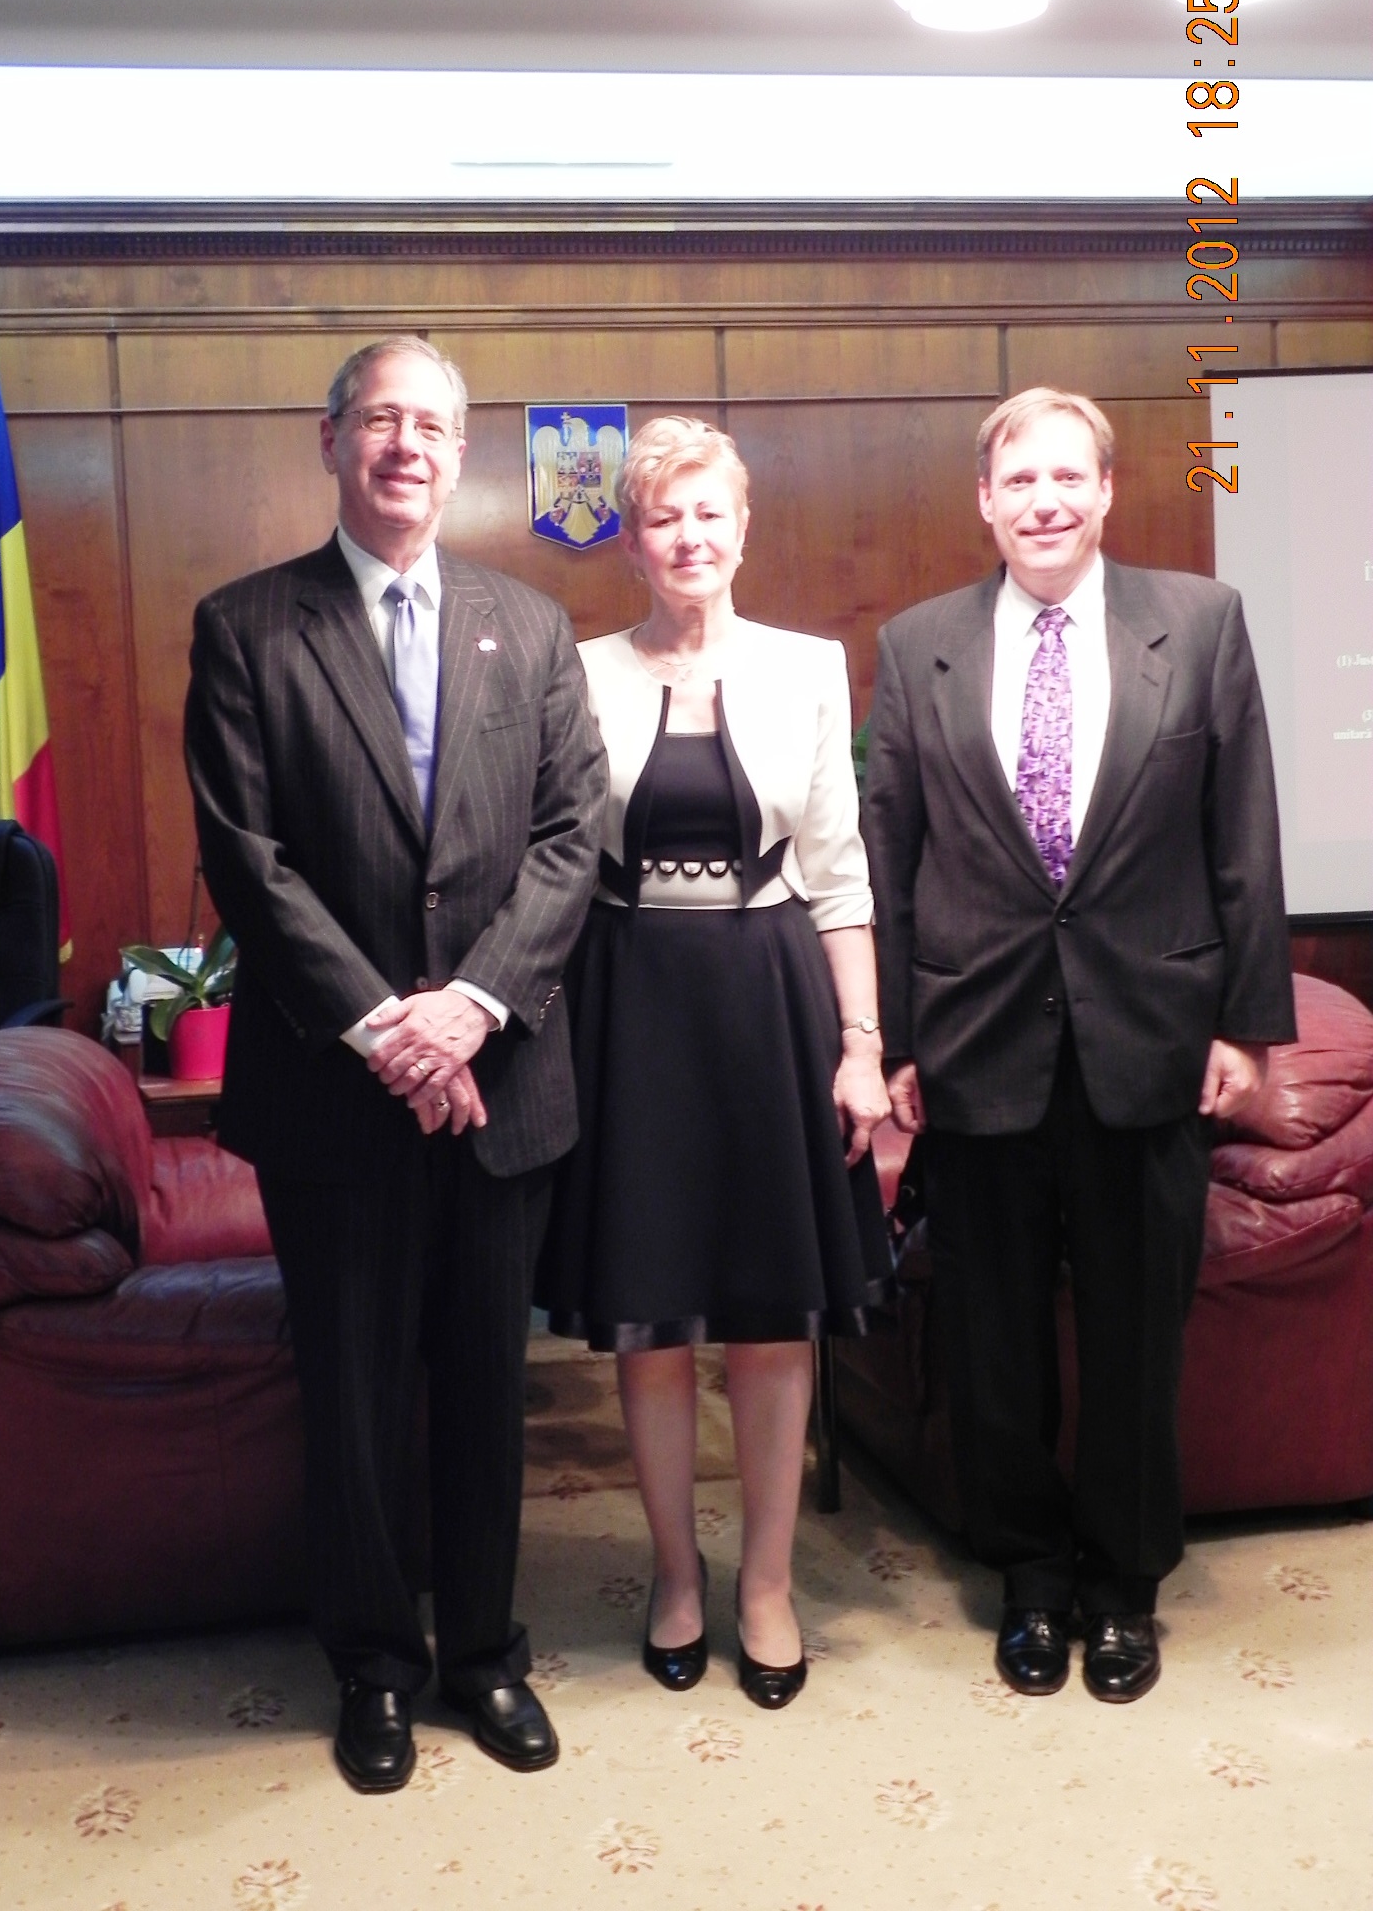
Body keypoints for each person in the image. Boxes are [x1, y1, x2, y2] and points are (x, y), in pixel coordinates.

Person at [184, 336, 606, 1793]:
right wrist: (388, 1028)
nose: (405, 445)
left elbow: (573, 837)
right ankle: (373, 1664)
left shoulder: (529, 625)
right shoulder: (247, 626)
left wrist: (470, 1010)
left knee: (490, 1390)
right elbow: (248, 859)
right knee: (354, 1396)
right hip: (331, 1091)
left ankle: (484, 1654)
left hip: (501, 1084)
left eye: (430, 424)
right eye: (380, 419)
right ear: (333, 441)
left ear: (461, 450)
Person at [862, 387, 1295, 1704]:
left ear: (1107, 491)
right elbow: (891, 857)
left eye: (1068, 477)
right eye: (1020, 480)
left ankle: (1123, 1591)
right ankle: (1031, 1582)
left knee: (1134, 1343)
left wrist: (1248, 1025)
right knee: (992, 1345)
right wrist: (892, 1041)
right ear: (984, 502)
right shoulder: (918, 644)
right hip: (975, 1043)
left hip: (1150, 1040)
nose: (1044, 501)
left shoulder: (1201, 623)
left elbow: (1243, 831)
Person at [536, 416, 895, 1711]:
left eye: (709, 514)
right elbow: (552, 863)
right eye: (662, 518)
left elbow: (840, 876)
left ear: (744, 529)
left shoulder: (809, 667)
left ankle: (769, 1585)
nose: (689, 537)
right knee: (650, 1312)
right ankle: (678, 1574)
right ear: (632, 543)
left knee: (768, 1311)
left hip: (768, 997)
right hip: (629, 1003)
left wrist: (862, 1049)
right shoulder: (577, 671)